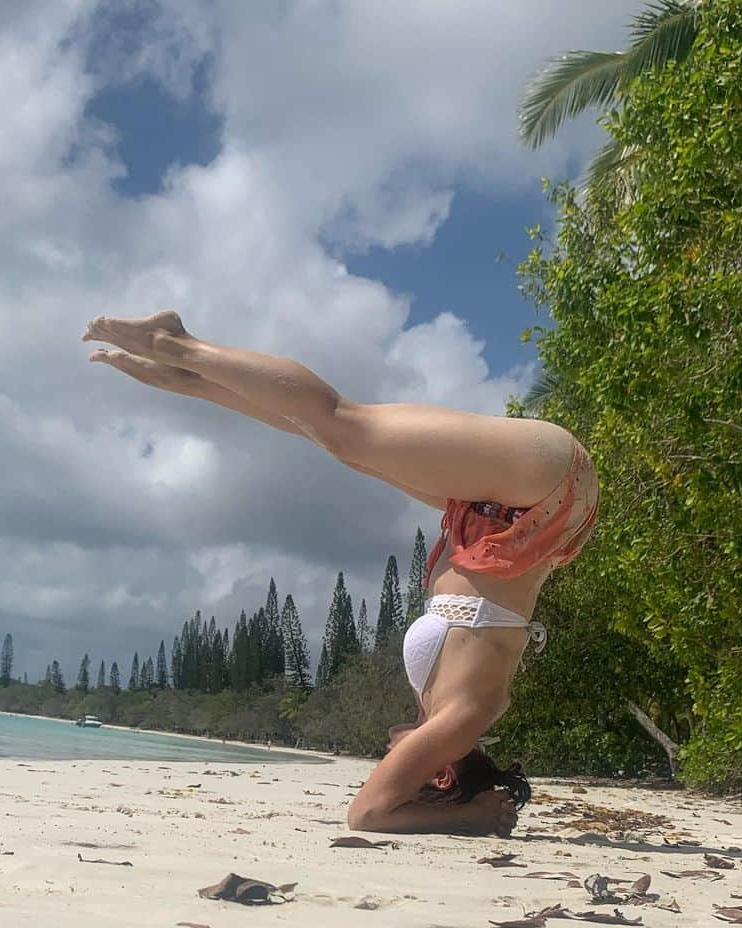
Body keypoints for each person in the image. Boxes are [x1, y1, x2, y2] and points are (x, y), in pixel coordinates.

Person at [83, 310, 599, 836]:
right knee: (344, 424)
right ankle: (176, 344)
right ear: (442, 775)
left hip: (508, 513)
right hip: (543, 492)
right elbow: (368, 814)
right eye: (400, 762)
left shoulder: (449, 709)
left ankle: (190, 380)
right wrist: (471, 817)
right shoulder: (463, 719)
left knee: (339, 444)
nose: (387, 750)